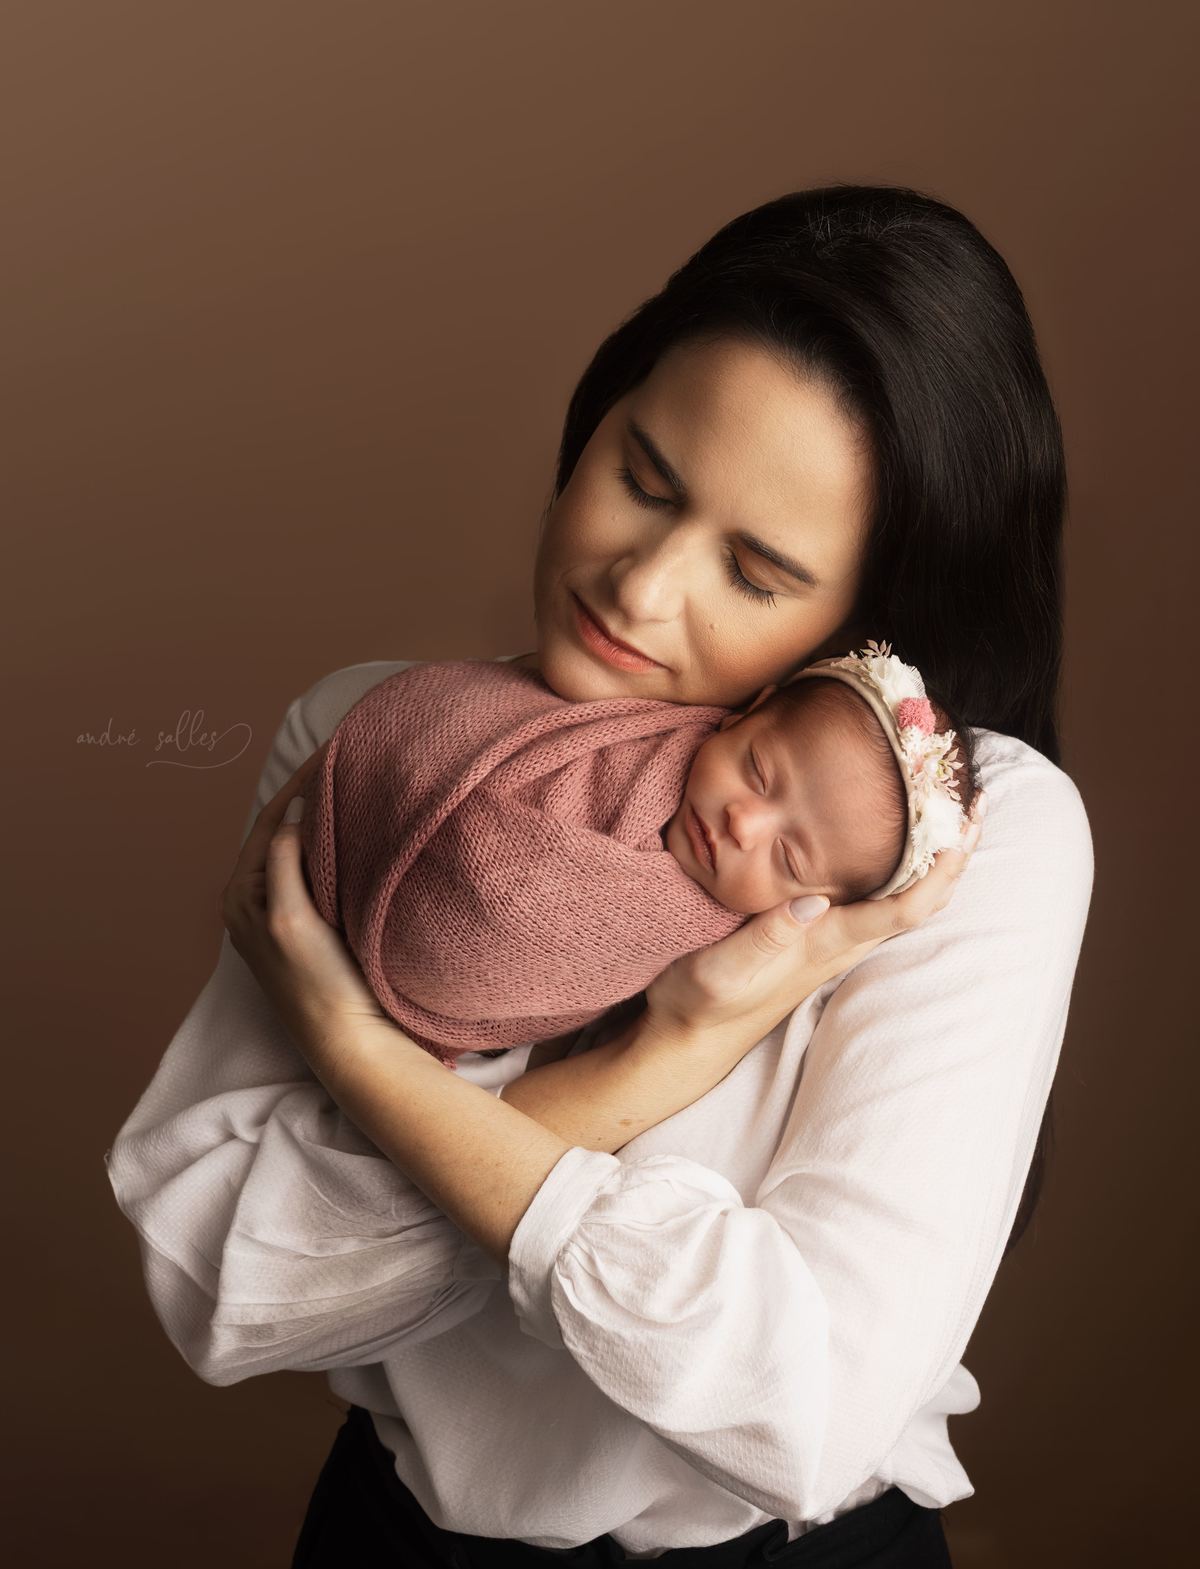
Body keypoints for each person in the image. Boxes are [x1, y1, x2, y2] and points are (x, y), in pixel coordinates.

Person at [104, 183, 1094, 1567]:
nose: (640, 588)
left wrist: (365, 1055)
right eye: (645, 479)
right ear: (593, 422)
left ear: (865, 624)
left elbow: (804, 1411)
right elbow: (224, 1286)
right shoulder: (372, 738)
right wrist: (636, 1075)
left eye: (756, 571)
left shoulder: (957, 840)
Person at [297, 642, 978, 1067]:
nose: (744, 823)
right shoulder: (649, 730)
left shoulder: (719, 938)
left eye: (790, 859)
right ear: (747, 712)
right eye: (758, 771)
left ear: (813, 902)